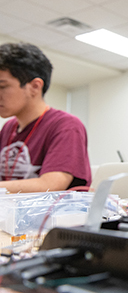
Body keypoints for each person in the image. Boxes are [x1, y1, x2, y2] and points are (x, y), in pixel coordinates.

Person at [0, 42, 92, 193]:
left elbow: (51, 185)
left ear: (35, 87)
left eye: (2, 86)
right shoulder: (8, 128)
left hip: (53, 215)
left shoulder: (66, 125)